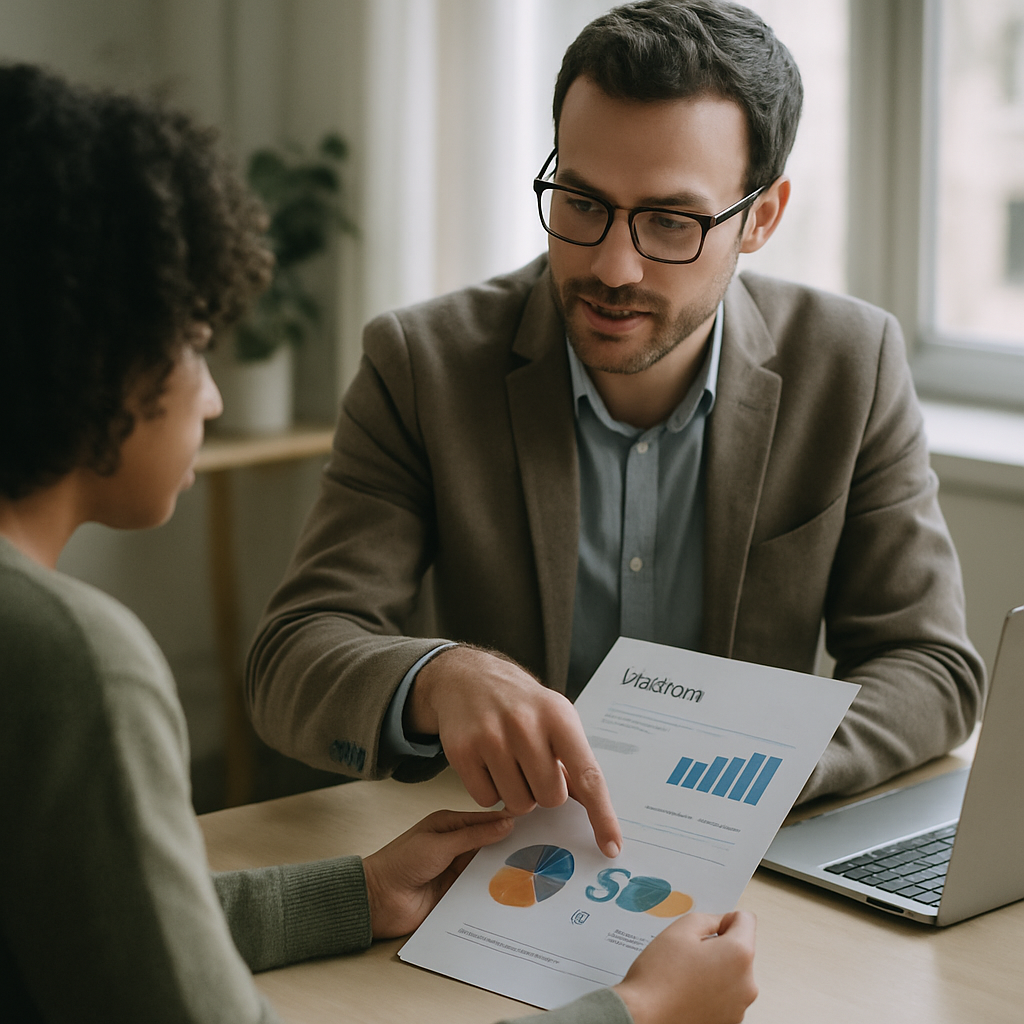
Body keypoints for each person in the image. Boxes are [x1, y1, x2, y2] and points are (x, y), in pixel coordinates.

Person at [0, 61, 758, 1024]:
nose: (212, 394)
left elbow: (68, 922)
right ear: (86, 353)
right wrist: (638, 1013)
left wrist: (351, 895)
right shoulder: (71, 662)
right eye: (192, 340)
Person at [247, 0, 986, 855]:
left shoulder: (850, 366)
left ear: (762, 219)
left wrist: (757, 769)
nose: (612, 265)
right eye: (583, 201)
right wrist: (438, 676)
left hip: (741, 871)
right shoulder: (424, 365)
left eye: (671, 221)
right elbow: (291, 659)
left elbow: (930, 668)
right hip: (505, 857)